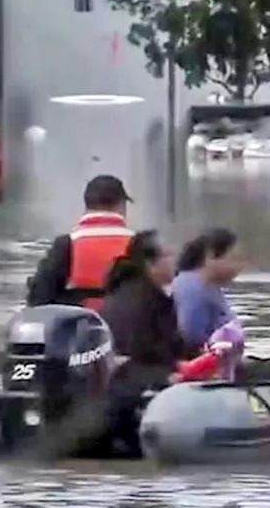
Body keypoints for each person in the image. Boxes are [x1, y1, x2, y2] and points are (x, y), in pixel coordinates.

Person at [96, 231, 192, 456]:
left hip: (124, 381)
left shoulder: (123, 291)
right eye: (169, 256)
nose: (174, 262)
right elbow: (152, 351)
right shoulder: (147, 301)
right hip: (138, 386)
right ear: (151, 263)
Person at [26, 175, 135, 310]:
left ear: (87, 206)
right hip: (126, 323)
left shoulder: (67, 243)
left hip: (80, 325)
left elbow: (39, 298)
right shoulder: (138, 243)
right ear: (121, 206)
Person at [172, 227, 244, 352]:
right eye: (234, 259)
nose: (239, 267)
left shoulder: (209, 287)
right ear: (210, 256)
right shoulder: (192, 289)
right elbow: (192, 339)